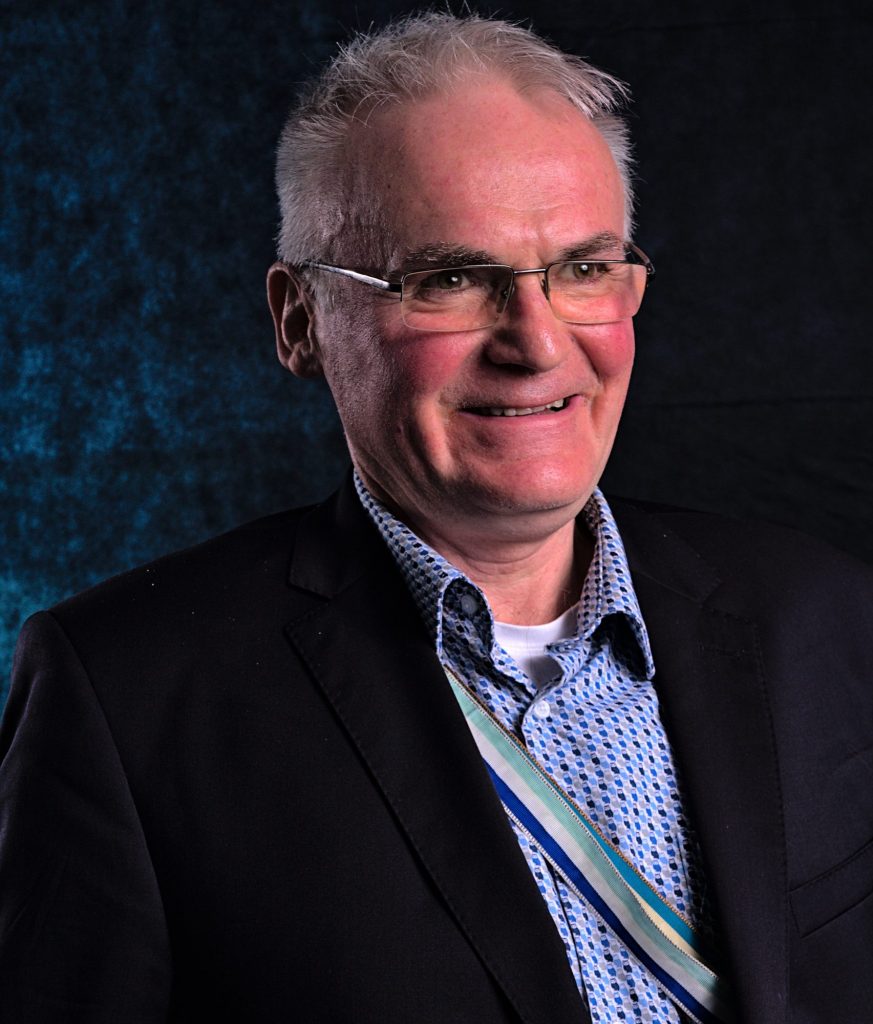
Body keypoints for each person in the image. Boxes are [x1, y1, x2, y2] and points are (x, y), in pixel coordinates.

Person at [1, 12, 871, 1024]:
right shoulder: (128, 701)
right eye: (451, 279)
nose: (535, 343)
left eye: (583, 269)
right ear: (299, 320)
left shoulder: (824, 617)